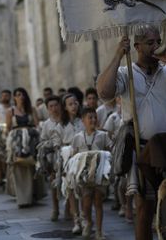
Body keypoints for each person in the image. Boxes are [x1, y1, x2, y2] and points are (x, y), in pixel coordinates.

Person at [96, 26, 166, 240]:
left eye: (158, 41)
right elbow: (104, 92)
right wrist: (118, 55)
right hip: (142, 148)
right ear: (137, 46)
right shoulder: (126, 72)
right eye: (150, 43)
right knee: (144, 208)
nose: (156, 46)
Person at [70, 107, 111, 240]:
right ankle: (87, 221)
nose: (93, 120)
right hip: (84, 175)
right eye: (90, 117)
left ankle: (99, 231)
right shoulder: (78, 137)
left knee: (98, 202)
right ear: (83, 120)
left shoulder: (103, 136)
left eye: (95, 117)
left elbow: (109, 150)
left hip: (98, 173)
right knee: (86, 202)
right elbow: (73, 155)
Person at [52, 93, 84, 234]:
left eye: (75, 103)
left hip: (83, 159)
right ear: (65, 107)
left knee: (84, 190)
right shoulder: (61, 125)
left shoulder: (83, 121)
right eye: (70, 104)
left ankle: (85, 218)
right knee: (71, 190)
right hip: (69, 160)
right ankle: (76, 219)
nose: (74, 106)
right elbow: (56, 144)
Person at [5, 87, 42, 207]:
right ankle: (22, 198)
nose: (21, 97)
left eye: (22, 94)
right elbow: (8, 128)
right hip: (17, 142)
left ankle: (32, 196)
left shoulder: (31, 110)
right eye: (18, 94)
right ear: (14, 97)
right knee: (19, 167)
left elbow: (37, 125)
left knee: (31, 167)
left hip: (31, 140)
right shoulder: (10, 111)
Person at [37, 95, 63, 221]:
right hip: (53, 157)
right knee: (54, 183)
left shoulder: (66, 120)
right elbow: (43, 140)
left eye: (56, 105)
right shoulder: (47, 124)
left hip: (66, 154)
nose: (54, 108)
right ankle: (55, 209)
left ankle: (70, 208)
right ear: (47, 109)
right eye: (51, 106)